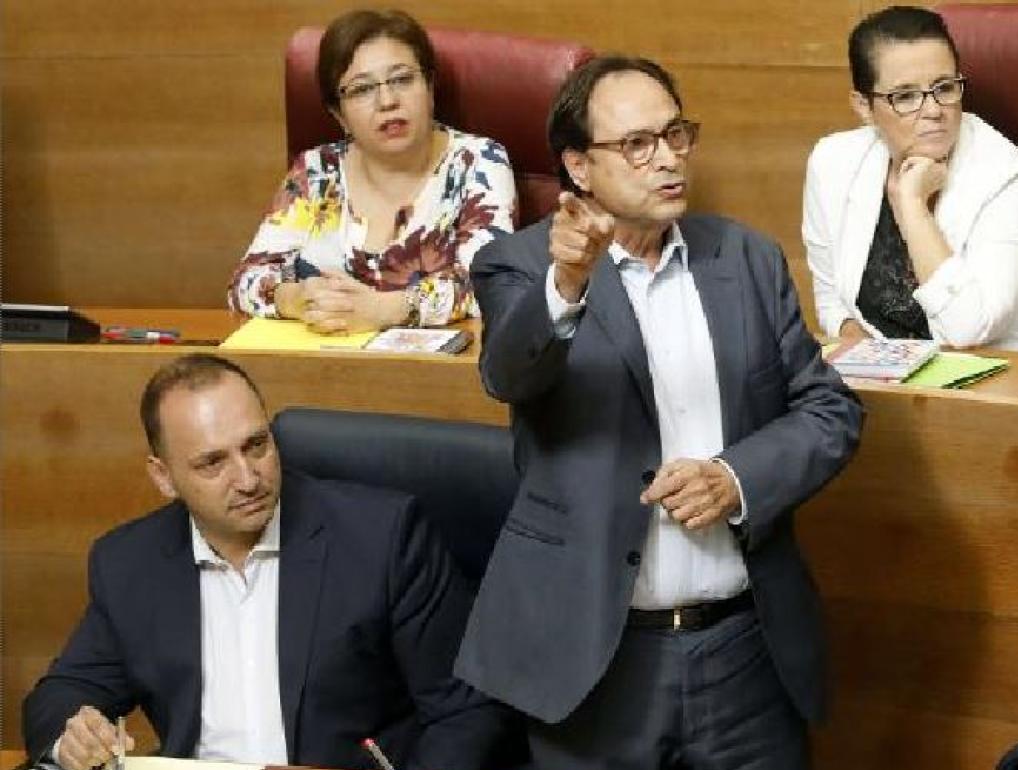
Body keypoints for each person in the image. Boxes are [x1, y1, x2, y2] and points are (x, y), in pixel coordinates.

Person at [454, 56, 864, 770]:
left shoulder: (747, 260)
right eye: (637, 144)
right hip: (597, 659)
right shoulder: (516, 266)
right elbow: (510, 373)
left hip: (744, 652)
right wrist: (567, 283)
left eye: (676, 135)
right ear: (580, 167)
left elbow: (828, 409)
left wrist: (737, 479)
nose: (668, 159)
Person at [23, 354, 505, 770]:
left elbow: (465, 714)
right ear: (164, 477)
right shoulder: (129, 562)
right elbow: (63, 692)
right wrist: (74, 735)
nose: (248, 478)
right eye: (213, 463)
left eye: (256, 445)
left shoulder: (383, 537)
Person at [803, 5, 1018, 361]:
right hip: (915, 385)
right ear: (864, 106)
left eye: (944, 88)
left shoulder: (1005, 177)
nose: (933, 110)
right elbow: (832, 298)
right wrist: (870, 362)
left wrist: (913, 209)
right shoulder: (833, 163)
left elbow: (968, 330)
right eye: (906, 96)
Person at [230, 9, 517, 333]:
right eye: (362, 89)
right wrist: (295, 298)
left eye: (402, 79)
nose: (387, 100)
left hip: (435, 374)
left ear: (430, 87)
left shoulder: (477, 162)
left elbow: (489, 282)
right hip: (321, 363)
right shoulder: (316, 172)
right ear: (339, 115)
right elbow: (245, 282)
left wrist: (388, 309)